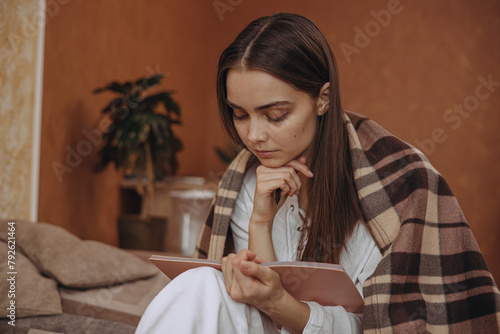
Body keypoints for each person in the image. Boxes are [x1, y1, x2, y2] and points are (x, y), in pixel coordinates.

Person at [136, 13, 500, 334]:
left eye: (275, 115)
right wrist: (260, 222)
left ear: (323, 98)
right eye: (240, 114)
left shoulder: (394, 187)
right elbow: (262, 311)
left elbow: (379, 325)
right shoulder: (248, 179)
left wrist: (281, 302)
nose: (254, 135)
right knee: (200, 284)